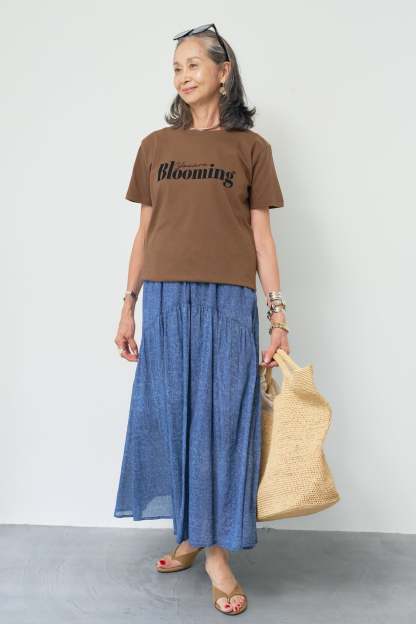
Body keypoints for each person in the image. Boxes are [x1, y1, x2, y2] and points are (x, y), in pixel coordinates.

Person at [113, 23, 290, 616]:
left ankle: (216, 553)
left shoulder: (251, 148)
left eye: (193, 64)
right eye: (176, 67)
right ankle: (191, 533)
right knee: (174, 416)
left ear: (223, 71)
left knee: (221, 422)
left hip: (228, 302)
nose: (183, 76)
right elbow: (144, 232)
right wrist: (128, 303)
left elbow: (262, 236)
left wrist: (278, 315)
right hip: (164, 299)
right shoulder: (155, 146)